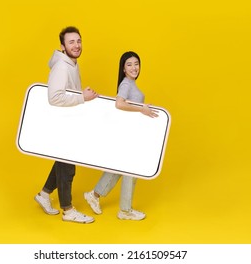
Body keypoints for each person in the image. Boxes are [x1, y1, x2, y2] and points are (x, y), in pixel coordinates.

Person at [34, 26, 98, 223]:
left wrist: (80, 93)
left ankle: (44, 195)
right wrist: (82, 98)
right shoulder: (61, 67)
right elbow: (54, 98)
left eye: (78, 41)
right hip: (61, 125)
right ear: (62, 46)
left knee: (62, 163)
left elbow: (68, 91)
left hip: (68, 123)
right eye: (71, 42)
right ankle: (68, 210)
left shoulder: (71, 63)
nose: (76, 45)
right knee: (67, 167)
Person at [84, 51, 158, 220]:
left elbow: (128, 106)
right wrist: (141, 109)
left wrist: (142, 109)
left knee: (118, 170)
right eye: (129, 64)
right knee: (131, 172)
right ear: (123, 69)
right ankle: (125, 211)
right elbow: (119, 103)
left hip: (129, 135)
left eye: (136, 64)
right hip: (127, 137)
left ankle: (94, 195)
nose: (134, 67)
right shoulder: (126, 84)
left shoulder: (131, 84)